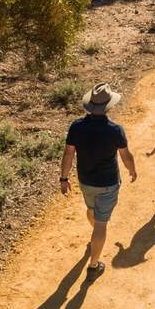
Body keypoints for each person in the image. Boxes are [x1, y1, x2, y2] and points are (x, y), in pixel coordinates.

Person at [59, 83, 137, 278]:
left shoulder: (76, 126)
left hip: (86, 181)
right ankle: (94, 265)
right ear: (109, 106)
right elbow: (126, 155)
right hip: (108, 183)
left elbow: (68, 154)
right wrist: (132, 170)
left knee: (91, 211)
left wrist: (64, 178)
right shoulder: (115, 129)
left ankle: (95, 238)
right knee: (101, 224)